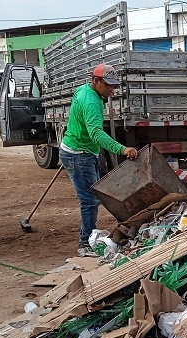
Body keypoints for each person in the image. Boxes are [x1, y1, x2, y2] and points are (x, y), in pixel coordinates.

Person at [60, 63, 138, 256]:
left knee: (91, 199)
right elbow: (96, 134)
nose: (112, 89)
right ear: (96, 81)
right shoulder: (92, 102)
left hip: (77, 149)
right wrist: (121, 149)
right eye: (108, 85)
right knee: (89, 201)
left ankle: (86, 239)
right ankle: (85, 244)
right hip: (79, 154)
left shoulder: (84, 90)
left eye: (114, 85)